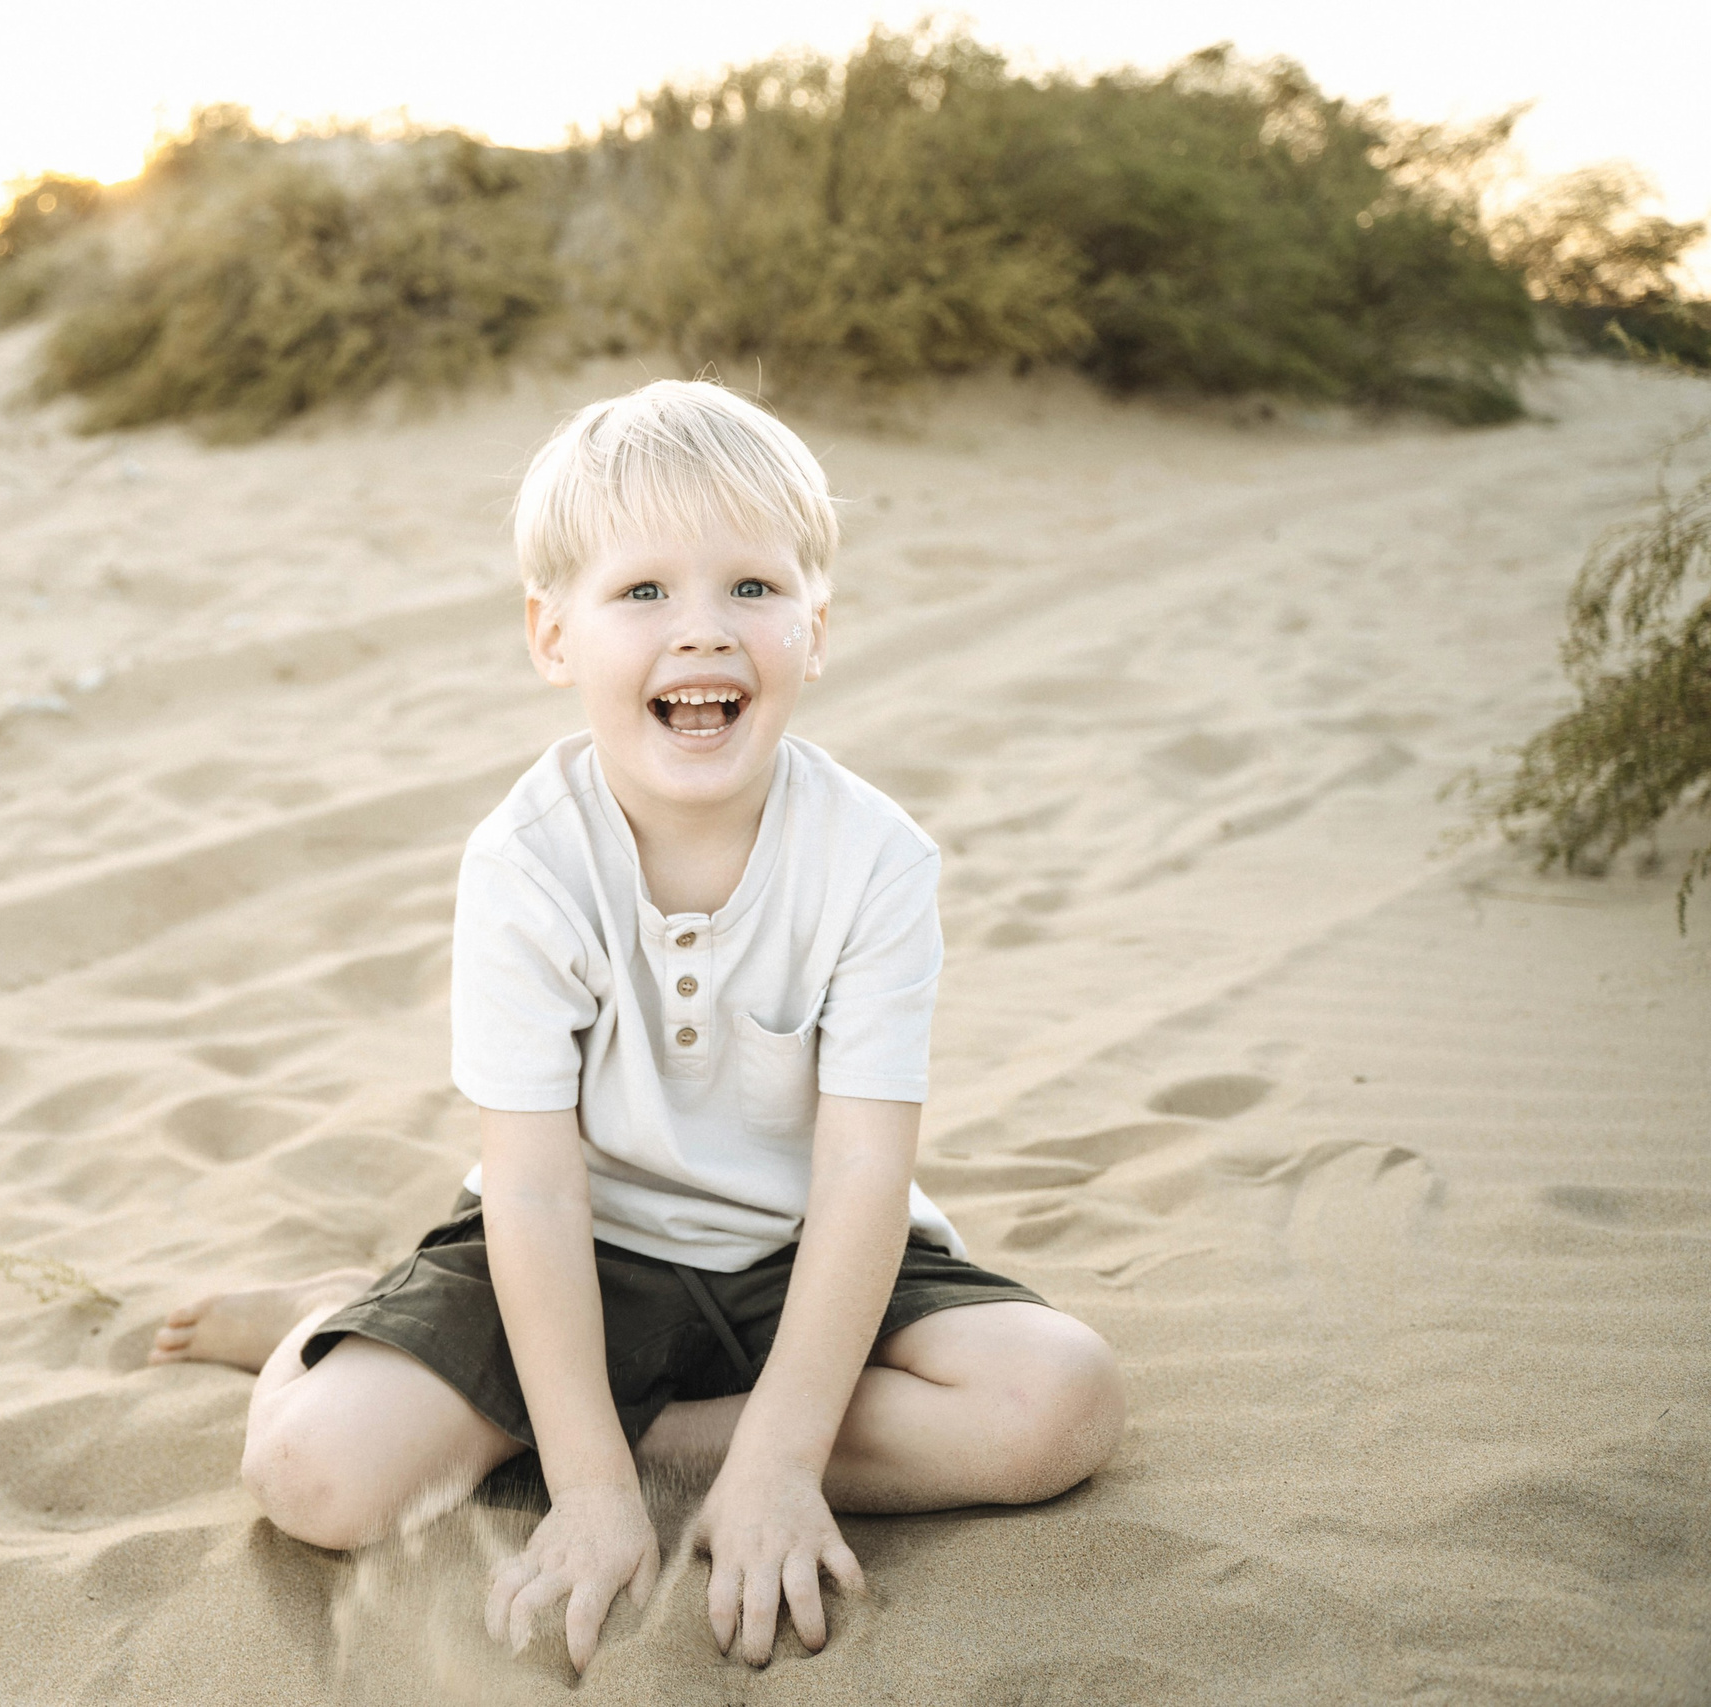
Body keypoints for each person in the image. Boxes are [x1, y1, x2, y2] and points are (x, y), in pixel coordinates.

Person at [151, 379, 1126, 1673]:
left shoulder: (876, 861)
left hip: (797, 1252)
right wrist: (593, 1496)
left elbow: (860, 1172)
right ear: (553, 635)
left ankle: (639, 1432)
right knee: (316, 1477)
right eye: (645, 593)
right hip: (572, 1248)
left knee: (1057, 1404)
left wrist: (780, 1463)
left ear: (817, 627)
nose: (704, 634)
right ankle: (327, 1322)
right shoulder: (525, 864)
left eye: (754, 590)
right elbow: (537, 1191)